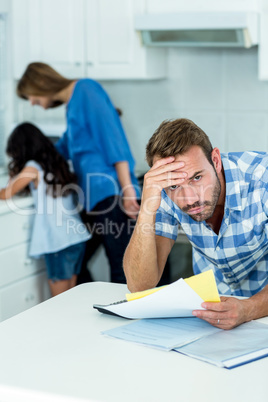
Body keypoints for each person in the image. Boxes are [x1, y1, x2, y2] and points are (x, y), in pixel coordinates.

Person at [123, 118, 268, 330]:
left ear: (215, 160)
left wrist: (249, 309)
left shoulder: (262, 179)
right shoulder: (163, 190)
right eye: (174, 186)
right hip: (211, 315)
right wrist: (146, 208)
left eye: (197, 177)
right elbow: (139, 286)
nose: (189, 199)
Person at [16, 62, 140, 284]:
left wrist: (128, 189)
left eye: (31, 96)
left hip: (112, 194)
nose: (32, 102)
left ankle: (128, 318)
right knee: (78, 265)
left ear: (41, 83)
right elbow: (63, 148)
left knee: (122, 269)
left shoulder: (86, 90)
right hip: (94, 201)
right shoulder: (72, 105)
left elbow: (114, 140)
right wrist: (31, 160)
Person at [0, 123, 91, 296]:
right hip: (76, 238)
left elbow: (7, 193)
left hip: (59, 242)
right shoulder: (58, 163)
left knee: (59, 302)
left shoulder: (33, 167)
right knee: (70, 296)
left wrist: (12, 175)